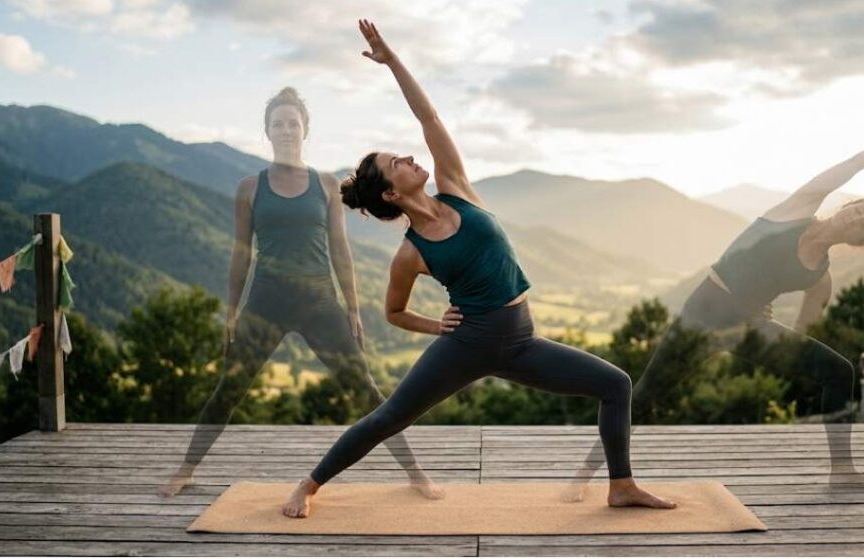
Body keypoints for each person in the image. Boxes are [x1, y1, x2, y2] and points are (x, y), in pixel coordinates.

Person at [280, 20, 680, 519]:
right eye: (397, 162)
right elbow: (394, 312)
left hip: (522, 342)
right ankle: (308, 486)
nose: (409, 156)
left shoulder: (456, 188)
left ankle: (621, 486)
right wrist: (436, 326)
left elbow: (428, 117)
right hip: (468, 344)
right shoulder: (410, 254)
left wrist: (393, 62)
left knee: (615, 384)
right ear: (391, 193)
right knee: (391, 417)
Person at [562, 132, 864, 499]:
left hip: (746, 328)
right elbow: (854, 163)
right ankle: (584, 477)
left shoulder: (820, 279)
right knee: (646, 394)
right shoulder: (796, 209)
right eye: (860, 211)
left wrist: (779, 341)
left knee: (838, 370)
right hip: (704, 313)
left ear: (860, 240)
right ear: (847, 205)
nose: (856, 219)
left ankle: (843, 470)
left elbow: (800, 337)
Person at [158, 86, 440, 499]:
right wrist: (231, 311)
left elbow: (340, 251)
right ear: (267, 132)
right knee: (229, 389)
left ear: (305, 130)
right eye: (279, 124)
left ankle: (415, 474)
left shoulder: (325, 185)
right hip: (264, 303)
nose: (287, 130)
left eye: (293, 123)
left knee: (366, 390)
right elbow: (241, 254)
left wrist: (353, 309)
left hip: (320, 304)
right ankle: (185, 469)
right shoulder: (249, 188)